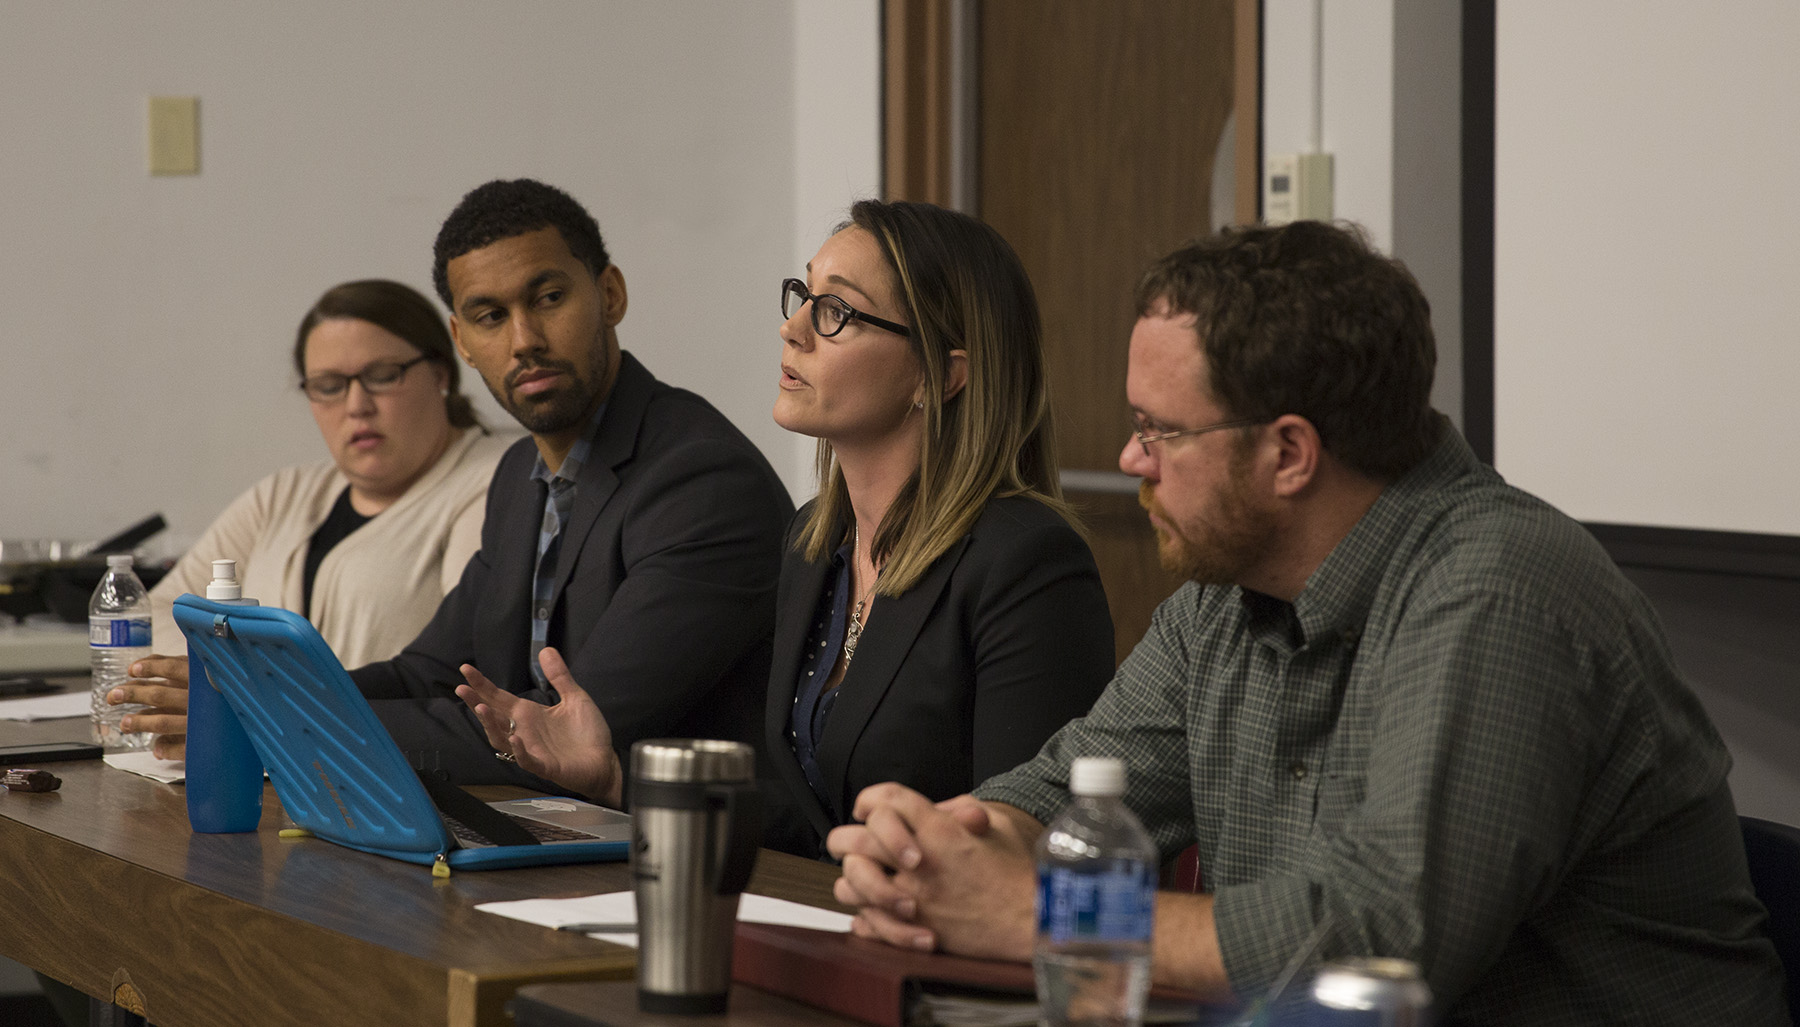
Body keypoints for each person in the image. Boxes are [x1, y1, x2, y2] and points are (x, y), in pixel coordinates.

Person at [826, 221, 1790, 1024]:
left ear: (1289, 453)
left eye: (1161, 429)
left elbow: (1381, 939)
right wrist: (937, 848)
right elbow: (1070, 787)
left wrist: (1045, 912)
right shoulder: (1223, 599)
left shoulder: (1500, 592)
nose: (1130, 456)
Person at [455, 200, 1115, 846]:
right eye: (803, 294)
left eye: (835, 312)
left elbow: (1025, 844)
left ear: (941, 374)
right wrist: (615, 777)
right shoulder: (815, 545)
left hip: (944, 944)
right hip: (827, 923)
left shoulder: (1025, 560)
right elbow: (810, 817)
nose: (792, 328)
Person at [348, 178, 792, 792]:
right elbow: (427, 673)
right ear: (463, 343)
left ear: (609, 294)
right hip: (565, 839)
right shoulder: (517, 475)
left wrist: (289, 725)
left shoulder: (703, 481)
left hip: (697, 853)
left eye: (549, 297)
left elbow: (567, 734)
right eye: (490, 317)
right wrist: (267, 696)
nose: (524, 339)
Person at [116, 279, 514, 760]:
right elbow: (148, 616)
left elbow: (463, 666)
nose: (356, 405)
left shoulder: (497, 479)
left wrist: (259, 696)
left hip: (390, 766)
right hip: (267, 765)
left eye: (383, 375)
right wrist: (243, 692)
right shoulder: (285, 494)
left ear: (441, 374)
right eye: (328, 386)